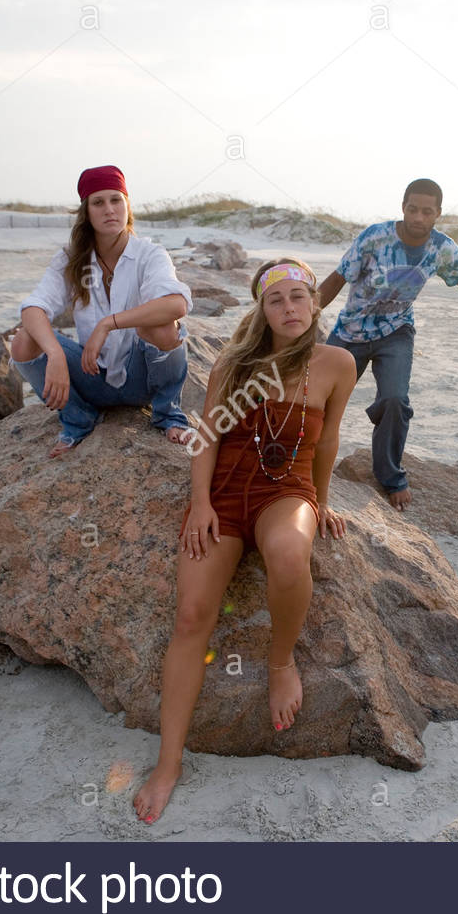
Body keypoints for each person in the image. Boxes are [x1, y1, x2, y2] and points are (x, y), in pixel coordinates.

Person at [132, 257, 357, 824]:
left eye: (299, 297)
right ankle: (168, 762)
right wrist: (202, 503)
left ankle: (280, 663)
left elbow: (327, 441)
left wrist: (322, 501)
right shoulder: (237, 363)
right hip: (228, 491)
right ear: (261, 309)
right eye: (276, 300)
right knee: (191, 617)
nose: (289, 309)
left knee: (287, 552)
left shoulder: (337, 363)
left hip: (288, 489)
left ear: (315, 302)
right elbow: (206, 437)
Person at [318, 178, 458, 510]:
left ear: (438, 213)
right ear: (403, 207)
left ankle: (390, 476)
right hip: (350, 331)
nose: (418, 218)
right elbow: (337, 279)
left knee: (395, 400)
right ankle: (301, 462)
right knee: (319, 401)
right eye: (413, 209)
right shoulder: (374, 237)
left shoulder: (442, 248)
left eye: (427, 211)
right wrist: (307, 314)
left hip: (396, 333)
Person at [10, 165, 193, 457]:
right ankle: (77, 420)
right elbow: (34, 307)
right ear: (87, 212)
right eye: (98, 202)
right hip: (91, 376)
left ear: (127, 205)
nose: (109, 209)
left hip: (140, 380)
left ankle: (168, 415)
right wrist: (55, 354)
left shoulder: (149, 254)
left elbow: (176, 304)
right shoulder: (71, 260)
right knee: (23, 341)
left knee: (161, 325)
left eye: (116, 199)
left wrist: (109, 323)